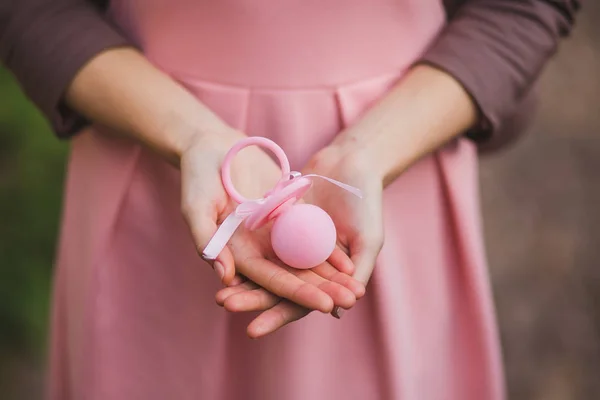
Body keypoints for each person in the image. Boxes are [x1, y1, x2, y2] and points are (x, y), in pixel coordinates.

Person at [0, 0, 580, 399]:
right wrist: (193, 136)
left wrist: (371, 154)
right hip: (149, 148)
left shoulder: (371, 165)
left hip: (396, 153)